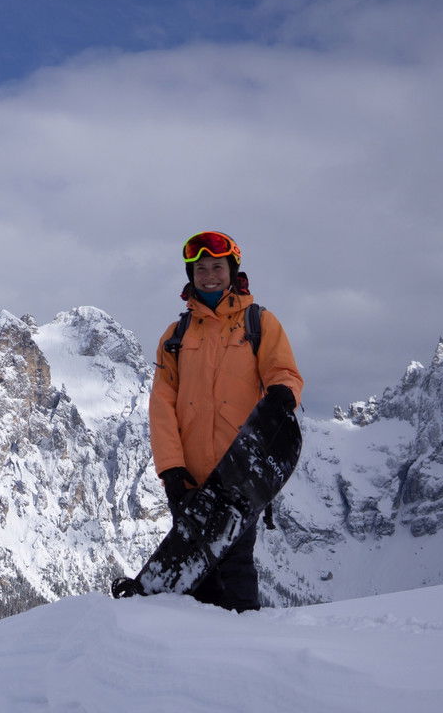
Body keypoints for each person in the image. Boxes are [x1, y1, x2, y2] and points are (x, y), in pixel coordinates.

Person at [147, 231, 304, 612]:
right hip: (191, 479)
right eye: (200, 269)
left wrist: (283, 394)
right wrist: (171, 469)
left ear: (233, 271)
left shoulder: (259, 323)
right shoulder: (176, 335)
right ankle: (195, 661)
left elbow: (283, 371)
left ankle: (242, 652)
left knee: (234, 569)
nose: (209, 275)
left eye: (217, 267)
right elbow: (162, 404)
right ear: (191, 275)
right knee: (192, 576)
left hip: (239, 476)